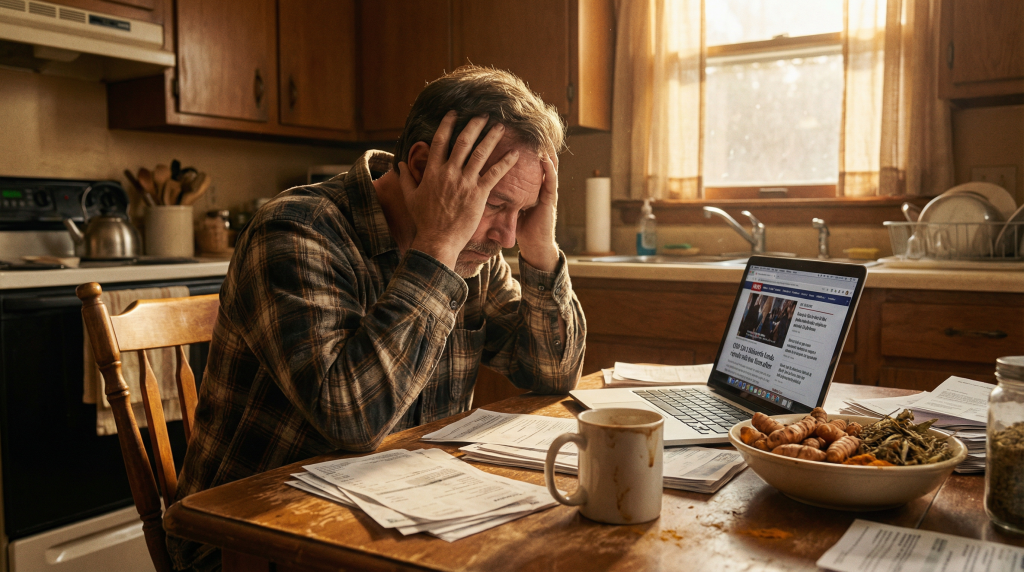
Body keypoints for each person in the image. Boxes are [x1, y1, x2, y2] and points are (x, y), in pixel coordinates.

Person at [167, 66, 587, 571]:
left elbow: (553, 374)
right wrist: (437, 248)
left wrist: (541, 249)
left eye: (522, 211)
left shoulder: (479, 252)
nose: (505, 235)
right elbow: (351, 420)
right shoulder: (295, 230)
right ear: (421, 165)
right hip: (252, 541)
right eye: (494, 203)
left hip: (402, 512)